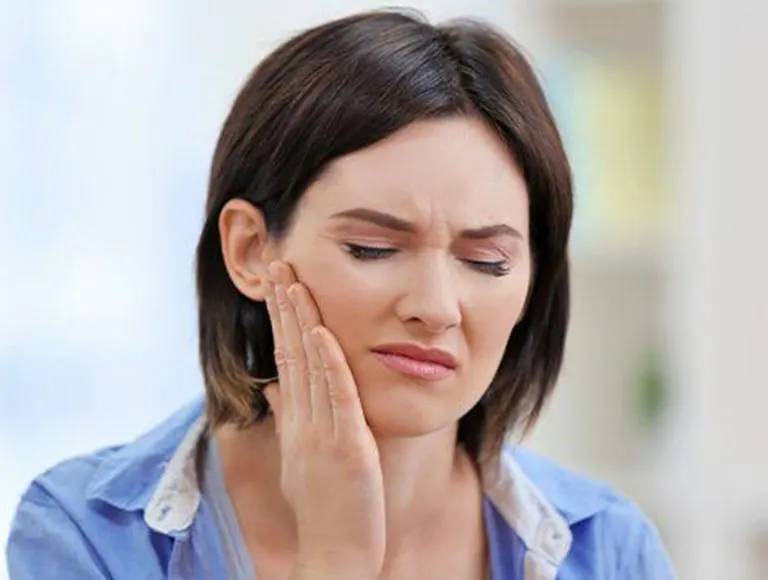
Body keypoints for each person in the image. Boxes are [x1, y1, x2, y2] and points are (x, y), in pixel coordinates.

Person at [6, 9, 676, 580]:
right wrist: (334, 559)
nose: (436, 307)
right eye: (373, 249)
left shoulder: (608, 551)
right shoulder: (87, 538)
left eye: (486, 260)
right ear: (249, 249)